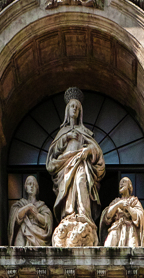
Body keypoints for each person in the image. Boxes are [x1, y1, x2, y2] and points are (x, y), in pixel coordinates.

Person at [45, 87, 105, 245]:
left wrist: (87, 151)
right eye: (72, 106)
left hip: (81, 163)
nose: (75, 110)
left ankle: (84, 216)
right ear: (67, 110)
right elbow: (53, 154)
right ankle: (69, 214)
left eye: (77, 108)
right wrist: (66, 138)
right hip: (65, 165)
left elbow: (96, 151)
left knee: (80, 182)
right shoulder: (62, 133)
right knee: (67, 188)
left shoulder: (85, 132)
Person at [100, 176, 144, 248]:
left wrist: (128, 207)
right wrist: (118, 204)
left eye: (123, 182)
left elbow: (139, 216)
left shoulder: (134, 201)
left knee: (133, 250)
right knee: (107, 247)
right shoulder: (116, 201)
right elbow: (108, 215)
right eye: (120, 183)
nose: (121, 184)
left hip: (130, 229)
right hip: (116, 228)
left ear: (129, 186)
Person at [9, 175, 53, 248]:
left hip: (38, 234)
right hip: (23, 232)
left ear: (37, 189)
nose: (32, 186)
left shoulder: (42, 206)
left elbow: (47, 221)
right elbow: (16, 216)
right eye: (29, 184)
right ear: (25, 187)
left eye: (34, 185)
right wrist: (28, 207)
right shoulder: (20, 204)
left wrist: (36, 214)